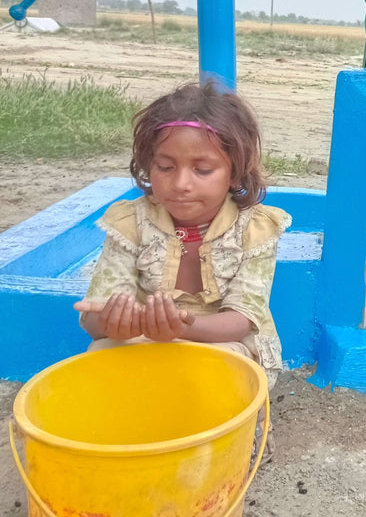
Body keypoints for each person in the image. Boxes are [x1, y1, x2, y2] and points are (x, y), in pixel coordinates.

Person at [74, 83, 291, 390]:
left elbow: (241, 320)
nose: (181, 183)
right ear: (149, 165)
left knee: (217, 371)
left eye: (202, 170)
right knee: (100, 356)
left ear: (236, 172)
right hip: (145, 340)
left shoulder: (255, 230)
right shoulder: (129, 223)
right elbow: (96, 323)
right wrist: (117, 323)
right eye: (165, 167)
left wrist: (179, 327)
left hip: (227, 346)